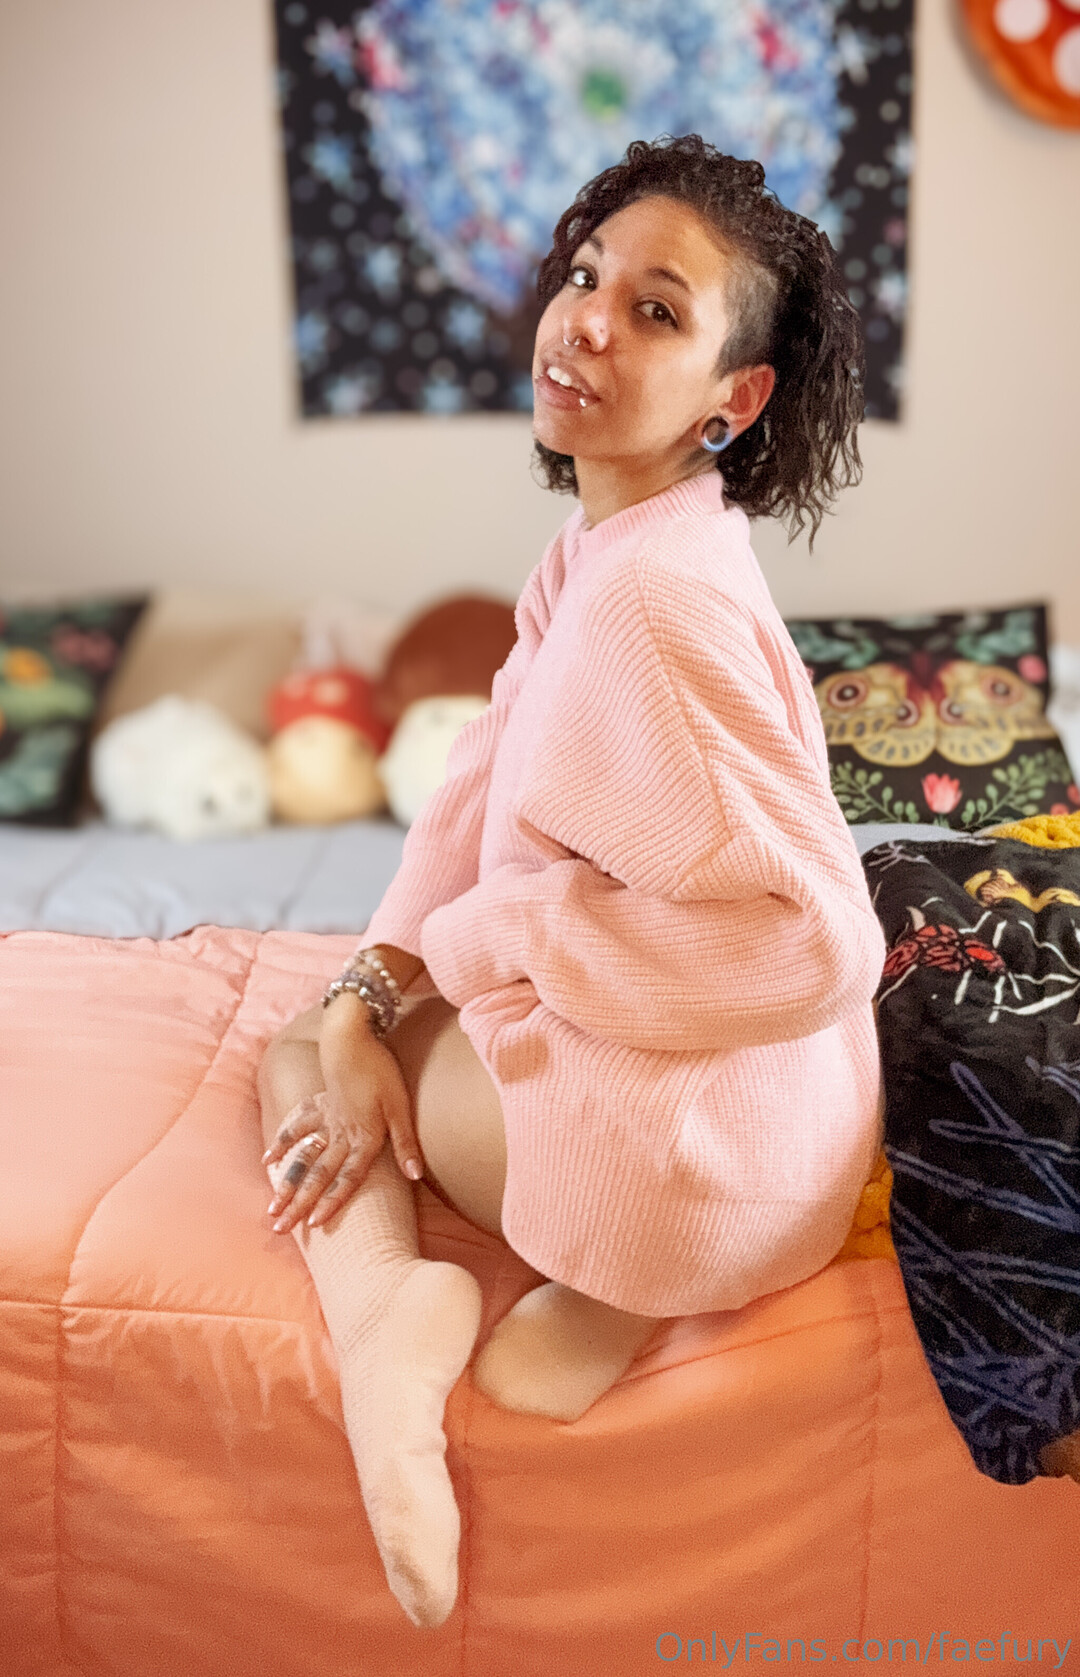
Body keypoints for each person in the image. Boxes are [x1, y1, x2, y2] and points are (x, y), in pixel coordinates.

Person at [257, 133, 887, 1632]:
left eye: (657, 311)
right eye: (587, 275)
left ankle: (392, 1314)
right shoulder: (620, 546)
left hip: (704, 1170)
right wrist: (373, 987)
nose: (588, 320)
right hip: (776, 1147)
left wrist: (507, 935)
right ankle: (604, 1296)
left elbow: (819, 941)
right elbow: (482, 771)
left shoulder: (652, 605)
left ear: (736, 400)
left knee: (287, 1065)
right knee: (336, 1029)